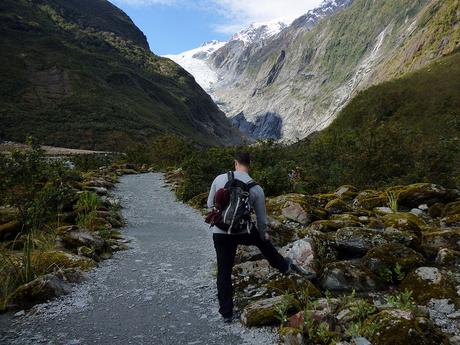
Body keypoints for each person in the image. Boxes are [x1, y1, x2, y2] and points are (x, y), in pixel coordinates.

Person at [207, 152, 306, 323]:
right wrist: (263, 235)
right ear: (249, 165)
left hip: (221, 232)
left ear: (235, 163)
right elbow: (261, 220)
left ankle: (226, 313)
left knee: (224, 271)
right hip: (243, 231)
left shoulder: (219, 179)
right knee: (264, 242)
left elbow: (209, 205)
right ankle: (283, 266)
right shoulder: (256, 188)